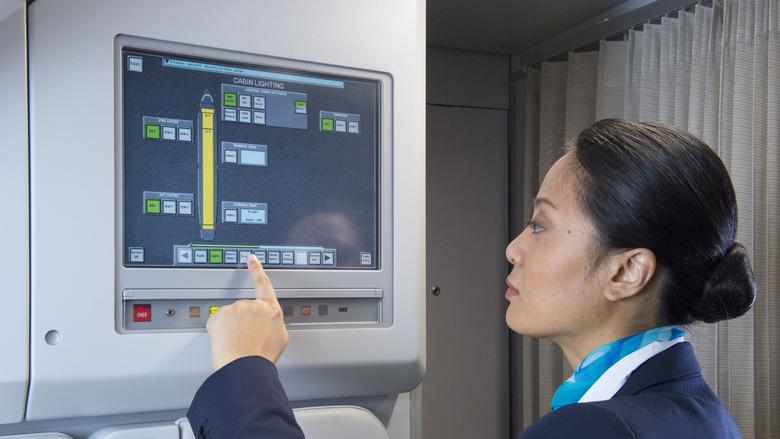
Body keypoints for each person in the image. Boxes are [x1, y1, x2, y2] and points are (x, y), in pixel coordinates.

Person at [187, 118, 757, 438]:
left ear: (627, 270)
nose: (512, 248)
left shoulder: (595, 431)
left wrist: (244, 370)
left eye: (539, 225)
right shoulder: (704, 416)